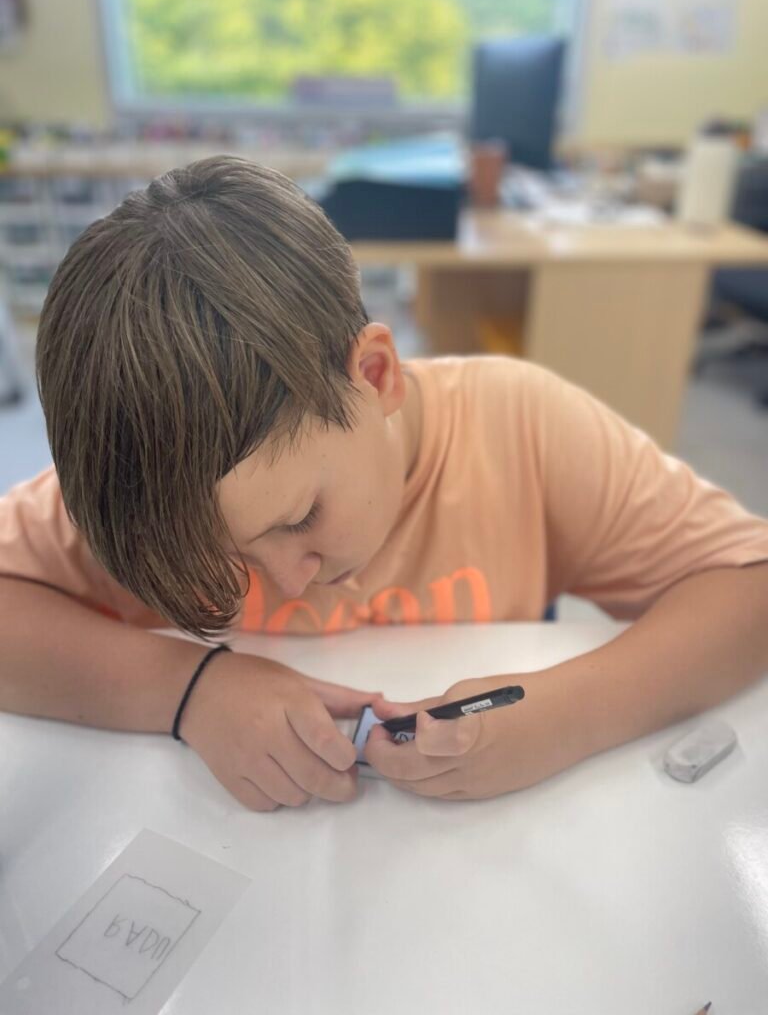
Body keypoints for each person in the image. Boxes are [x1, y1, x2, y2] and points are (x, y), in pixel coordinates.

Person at [1, 156, 767, 811]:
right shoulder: (141, 483)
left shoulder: (527, 431)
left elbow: (750, 588)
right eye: (218, 557)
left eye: (300, 517)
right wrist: (187, 689)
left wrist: (568, 715)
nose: (286, 584)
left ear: (374, 375)